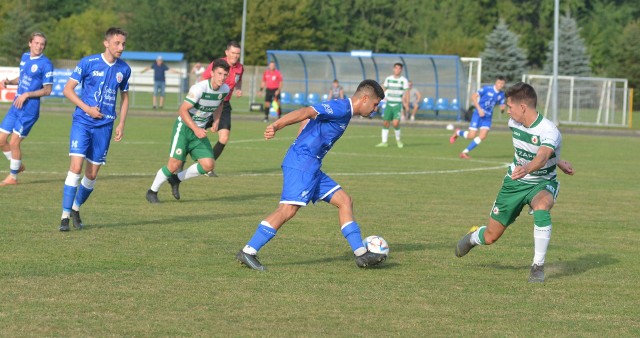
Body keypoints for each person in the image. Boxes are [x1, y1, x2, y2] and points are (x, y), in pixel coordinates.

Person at [236, 79, 388, 271]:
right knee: (287, 210)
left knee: (344, 201)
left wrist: (303, 133)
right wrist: (276, 125)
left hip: (311, 164)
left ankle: (361, 254)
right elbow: (307, 111)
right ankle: (248, 251)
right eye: (375, 104)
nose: (375, 110)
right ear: (365, 98)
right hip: (302, 163)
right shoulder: (341, 107)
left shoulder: (345, 112)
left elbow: (312, 118)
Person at [454, 82, 575, 283]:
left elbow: (543, 156)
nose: (507, 112)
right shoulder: (514, 123)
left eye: (510, 107)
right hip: (514, 183)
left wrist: (530, 168)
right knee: (491, 236)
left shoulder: (549, 130)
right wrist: (560, 161)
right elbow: (534, 149)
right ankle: (474, 237)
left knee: (542, 206)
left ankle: (537, 266)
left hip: (542, 182)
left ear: (522, 107)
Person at [58, 27, 131, 231]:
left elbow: (125, 97)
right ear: (106, 43)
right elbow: (67, 89)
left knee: (91, 175)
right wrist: (87, 109)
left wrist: (122, 123)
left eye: (123, 44)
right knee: (76, 168)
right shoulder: (88, 62)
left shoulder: (124, 69)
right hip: (82, 121)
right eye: (117, 43)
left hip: (105, 126)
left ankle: (75, 207)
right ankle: (64, 217)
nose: (121, 47)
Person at [145, 59, 230, 203]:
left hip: (199, 131)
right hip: (184, 128)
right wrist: (196, 128)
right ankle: (152, 192)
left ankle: (176, 179)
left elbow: (220, 104)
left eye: (225, 74)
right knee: (174, 165)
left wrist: (216, 120)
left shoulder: (225, 89)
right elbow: (182, 110)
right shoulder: (199, 88)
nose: (222, 77)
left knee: (208, 165)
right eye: (219, 73)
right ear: (212, 73)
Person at [0, 32, 53, 186]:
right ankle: (16, 164)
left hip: (29, 109)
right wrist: (9, 81)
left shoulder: (46, 64)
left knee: (14, 142)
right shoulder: (25, 57)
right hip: (16, 105)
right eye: (36, 43)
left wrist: (27, 94)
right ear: (30, 43)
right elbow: (22, 78)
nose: (39, 46)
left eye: (42, 44)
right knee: (1, 140)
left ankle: (12, 177)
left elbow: (47, 90)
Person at [200, 40, 244, 162]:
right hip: (209, 103)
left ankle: (208, 166)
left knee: (224, 138)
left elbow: (239, 80)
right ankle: (180, 162)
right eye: (233, 52)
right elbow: (203, 78)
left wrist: (238, 89)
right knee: (194, 133)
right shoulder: (218, 64)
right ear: (227, 52)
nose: (235, 56)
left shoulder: (240, 68)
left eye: (238, 53)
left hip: (224, 105)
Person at [449, 76, 506, 159]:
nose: (500, 85)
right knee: (471, 135)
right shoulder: (487, 89)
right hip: (478, 114)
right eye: (499, 83)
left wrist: (502, 109)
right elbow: (473, 96)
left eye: (502, 84)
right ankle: (458, 132)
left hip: (488, 117)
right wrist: (479, 109)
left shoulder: (501, 95)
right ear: (496, 83)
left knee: (482, 136)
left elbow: (502, 105)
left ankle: (464, 152)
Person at [376, 63, 408, 148]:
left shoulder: (403, 80)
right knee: (386, 123)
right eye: (396, 68)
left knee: (395, 123)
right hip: (389, 104)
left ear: (401, 70)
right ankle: (384, 142)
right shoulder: (388, 79)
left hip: (397, 104)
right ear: (393, 69)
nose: (397, 70)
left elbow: (406, 92)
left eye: (399, 68)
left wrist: (406, 104)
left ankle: (398, 141)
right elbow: (384, 89)